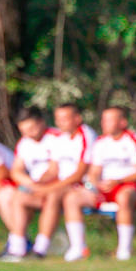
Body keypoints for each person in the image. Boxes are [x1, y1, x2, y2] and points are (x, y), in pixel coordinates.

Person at [61, 106, 136, 261]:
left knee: (124, 197)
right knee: (72, 198)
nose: (104, 123)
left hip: (129, 186)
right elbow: (94, 171)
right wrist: (95, 183)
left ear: (122, 122)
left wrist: (119, 181)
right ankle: (78, 248)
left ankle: (124, 249)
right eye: (103, 119)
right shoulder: (101, 142)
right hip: (105, 188)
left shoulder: (134, 140)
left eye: (109, 119)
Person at [0, 106, 62, 260]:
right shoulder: (24, 143)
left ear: (41, 123)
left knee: (51, 197)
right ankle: (19, 246)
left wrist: (39, 185)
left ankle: (41, 248)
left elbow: (54, 170)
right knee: (16, 198)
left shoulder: (57, 138)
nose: (28, 133)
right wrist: (30, 184)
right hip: (36, 187)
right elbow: (16, 171)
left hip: (57, 186)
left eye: (31, 128)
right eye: (24, 130)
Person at [42, 103, 98, 261]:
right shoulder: (60, 138)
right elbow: (52, 170)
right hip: (64, 185)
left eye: (65, 118)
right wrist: (36, 185)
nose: (60, 123)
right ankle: (20, 245)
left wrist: (50, 188)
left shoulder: (87, 136)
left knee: (58, 196)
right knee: (21, 197)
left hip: (85, 187)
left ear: (77, 118)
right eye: (58, 119)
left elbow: (80, 174)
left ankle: (45, 247)